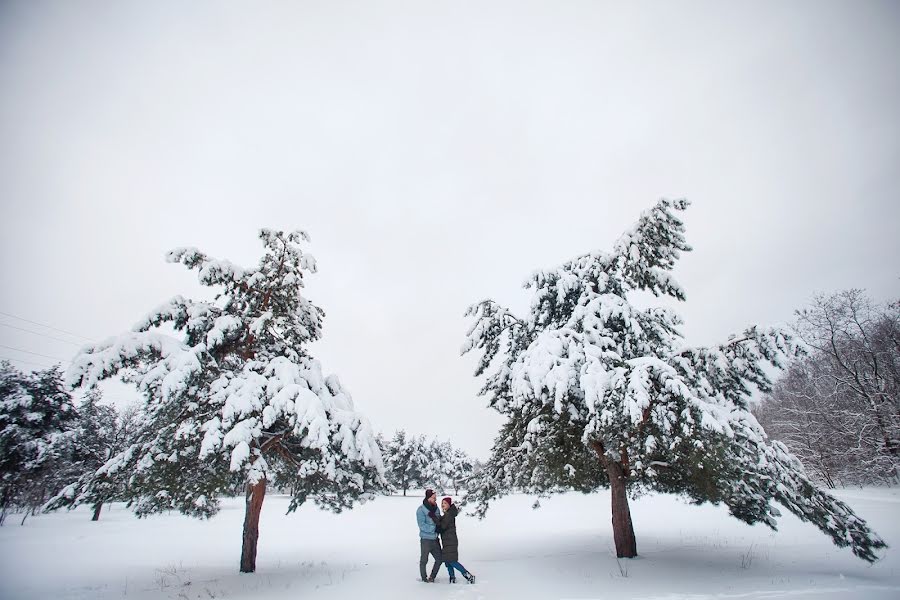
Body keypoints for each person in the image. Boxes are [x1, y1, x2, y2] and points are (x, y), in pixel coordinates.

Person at [438, 496, 475, 584]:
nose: (443, 505)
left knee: (452, 561)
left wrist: (436, 520)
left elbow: (442, 526)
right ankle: (452, 578)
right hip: (447, 541)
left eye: (445, 503)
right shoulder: (447, 514)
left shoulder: (448, 515)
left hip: (450, 541)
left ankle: (468, 575)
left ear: (449, 505)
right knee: (447, 561)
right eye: (442, 503)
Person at [416, 489, 443, 582]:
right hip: (426, 540)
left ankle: (432, 577)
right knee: (424, 561)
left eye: (435, 497)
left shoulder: (436, 508)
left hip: (435, 539)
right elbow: (422, 525)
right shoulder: (421, 510)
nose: (435, 499)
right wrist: (434, 528)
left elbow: (439, 520)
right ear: (428, 498)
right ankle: (424, 579)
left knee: (439, 559)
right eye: (433, 497)